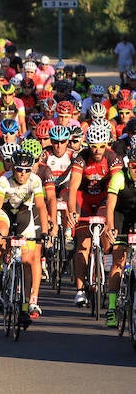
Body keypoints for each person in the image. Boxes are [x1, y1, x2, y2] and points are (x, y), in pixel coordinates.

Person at [0, 150, 50, 326]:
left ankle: (27, 304)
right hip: (5, 212)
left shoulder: (35, 181)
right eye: (19, 169)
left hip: (24, 214)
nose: (22, 174)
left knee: (30, 258)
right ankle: (0, 268)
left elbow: (40, 207)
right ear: (13, 169)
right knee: (1, 234)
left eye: (26, 170)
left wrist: (45, 232)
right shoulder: (4, 180)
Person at [66, 126, 121, 307]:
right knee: (83, 245)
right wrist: (72, 211)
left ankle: (105, 264)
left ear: (107, 145)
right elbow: (73, 187)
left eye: (101, 146)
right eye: (94, 146)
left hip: (104, 198)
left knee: (107, 239)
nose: (97, 150)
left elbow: (115, 189)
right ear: (88, 145)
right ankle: (80, 291)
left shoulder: (113, 159)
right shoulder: (81, 158)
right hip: (85, 199)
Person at [104, 147, 136, 327]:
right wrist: (110, 227)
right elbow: (110, 205)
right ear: (128, 165)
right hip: (121, 217)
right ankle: (111, 307)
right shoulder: (119, 177)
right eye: (133, 166)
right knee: (118, 259)